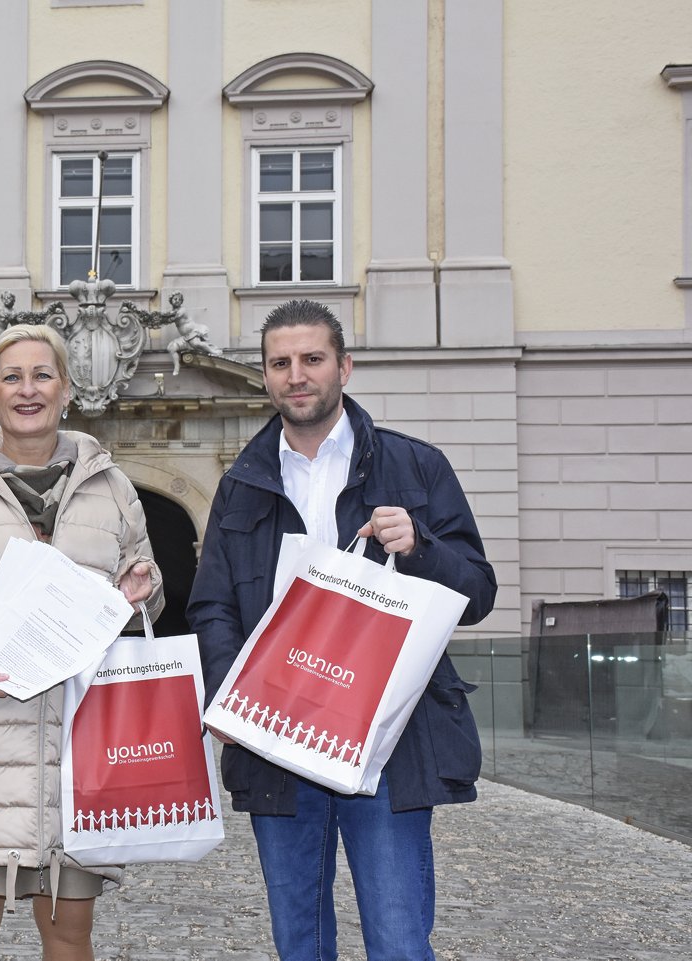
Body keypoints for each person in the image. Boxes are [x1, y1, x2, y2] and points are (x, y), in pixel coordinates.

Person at [186, 299, 497, 961]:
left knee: (398, 940)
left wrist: (422, 547)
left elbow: (477, 593)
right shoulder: (240, 483)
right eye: (279, 363)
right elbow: (211, 606)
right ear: (265, 377)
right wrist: (229, 696)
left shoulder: (417, 467)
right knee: (300, 943)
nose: (295, 375)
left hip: (388, 742)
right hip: (277, 739)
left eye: (311, 359)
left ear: (344, 366)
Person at [0, 324, 164, 961]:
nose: (27, 389)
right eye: (11, 377)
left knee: (70, 937)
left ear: (66, 389)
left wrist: (143, 588)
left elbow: (145, 600)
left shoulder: (112, 486)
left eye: (42, 375)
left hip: (81, 739)